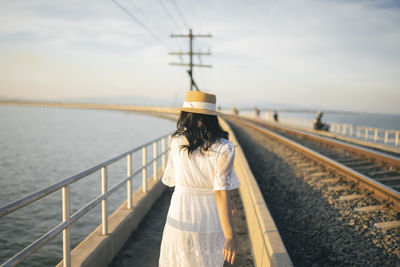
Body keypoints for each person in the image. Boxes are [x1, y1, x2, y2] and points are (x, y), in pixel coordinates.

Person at [159, 91, 241, 267]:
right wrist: (230, 236)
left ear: (186, 115)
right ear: (212, 117)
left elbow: (174, 179)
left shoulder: (176, 141)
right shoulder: (224, 147)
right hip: (209, 215)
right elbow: (220, 192)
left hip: (180, 210)